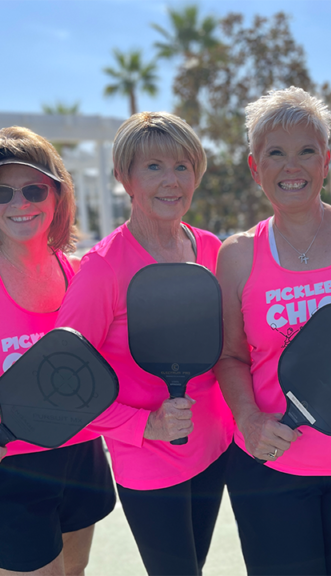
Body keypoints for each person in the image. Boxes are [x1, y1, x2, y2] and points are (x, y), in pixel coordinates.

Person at [215, 86, 331, 576]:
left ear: (325, 160)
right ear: (256, 169)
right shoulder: (237, 256)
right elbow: (231, 356)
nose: (291, 166)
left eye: (306, 151)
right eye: (275, 154)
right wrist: (249, 421)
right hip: (272, 470)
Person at [55, 112, 233, 576]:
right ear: (123, 177)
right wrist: (143, 426)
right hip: (149, 461)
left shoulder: (212, 249)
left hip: (214, 447)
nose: (172, 181)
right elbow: (63, 380)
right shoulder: (102, 268)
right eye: (153, 167)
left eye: (182, 166)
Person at [0, 127, 116, 576]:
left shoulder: (80, 272)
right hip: (14, 466)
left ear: (57, 196)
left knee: (75, 571)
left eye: (34, 189)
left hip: (81, 453)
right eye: (3, 192)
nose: (20, 203)